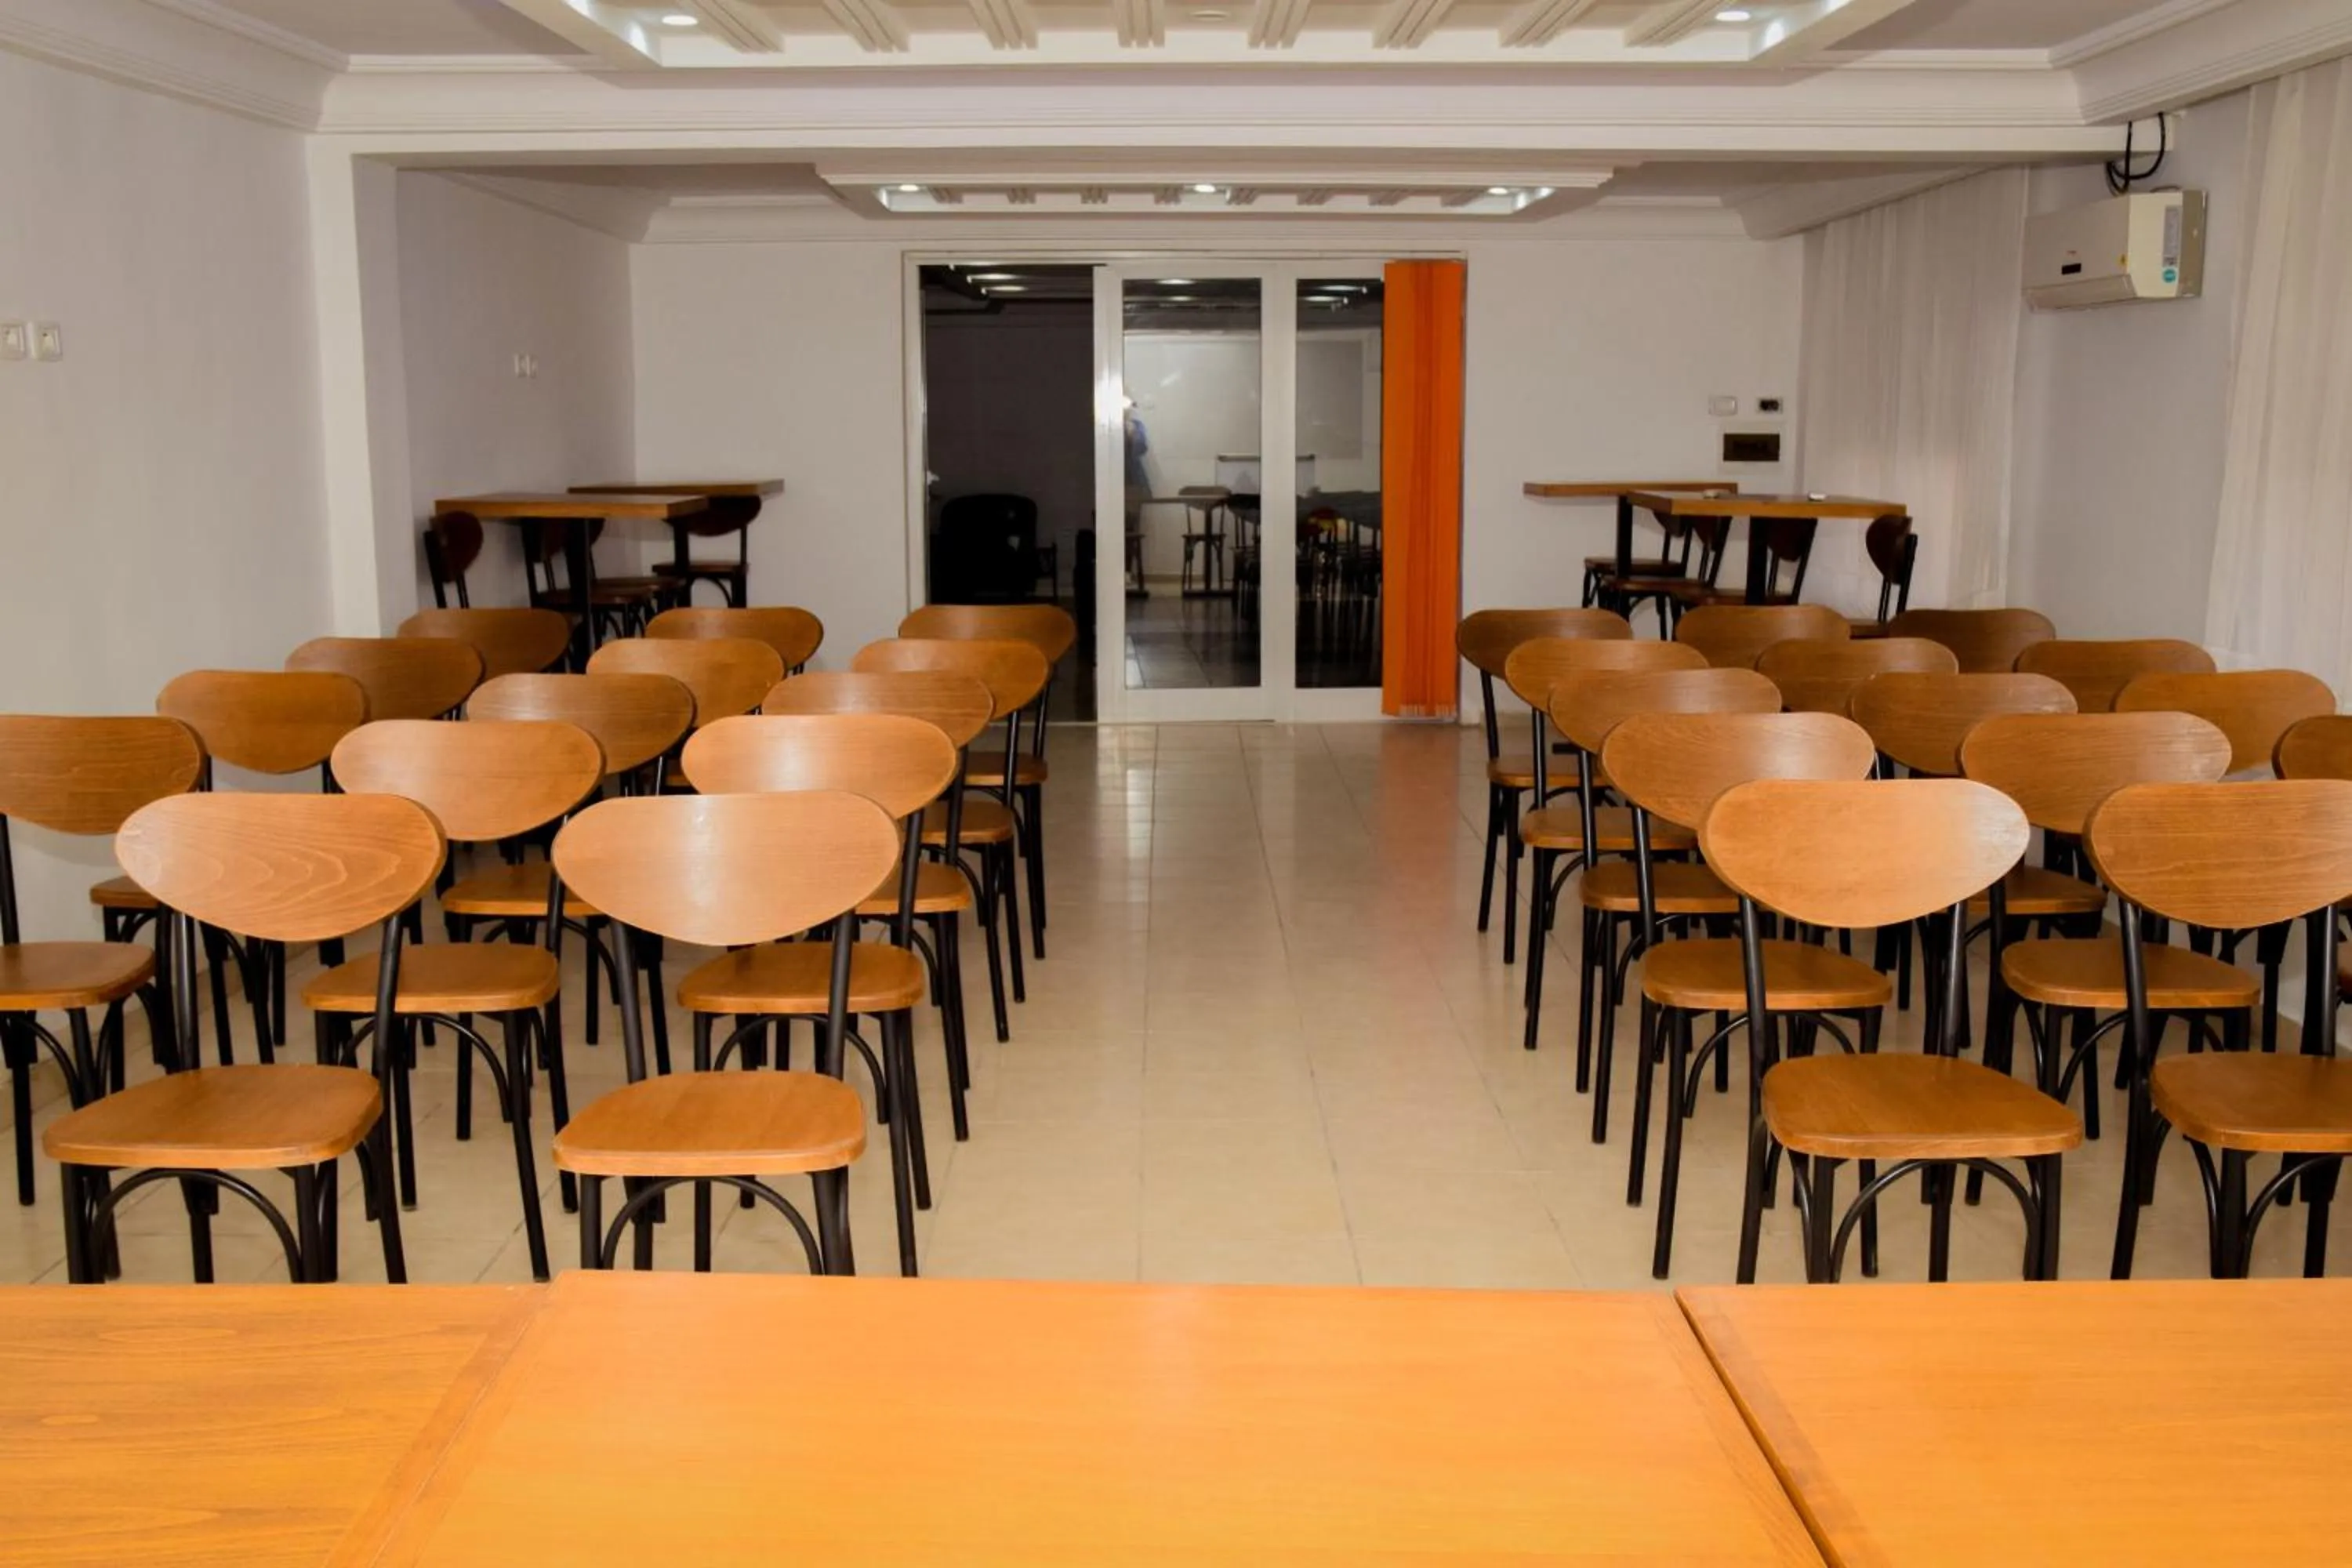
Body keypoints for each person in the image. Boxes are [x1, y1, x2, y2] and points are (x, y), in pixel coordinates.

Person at [1123, 401, 1152, 597]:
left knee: (1132, 531)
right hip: (1113, 484)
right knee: (1113, 530)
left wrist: (1130, 432)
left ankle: (1127, 571)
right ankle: (1113, 570)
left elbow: (1141, 449)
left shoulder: (1136, 425)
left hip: (1133, 484)